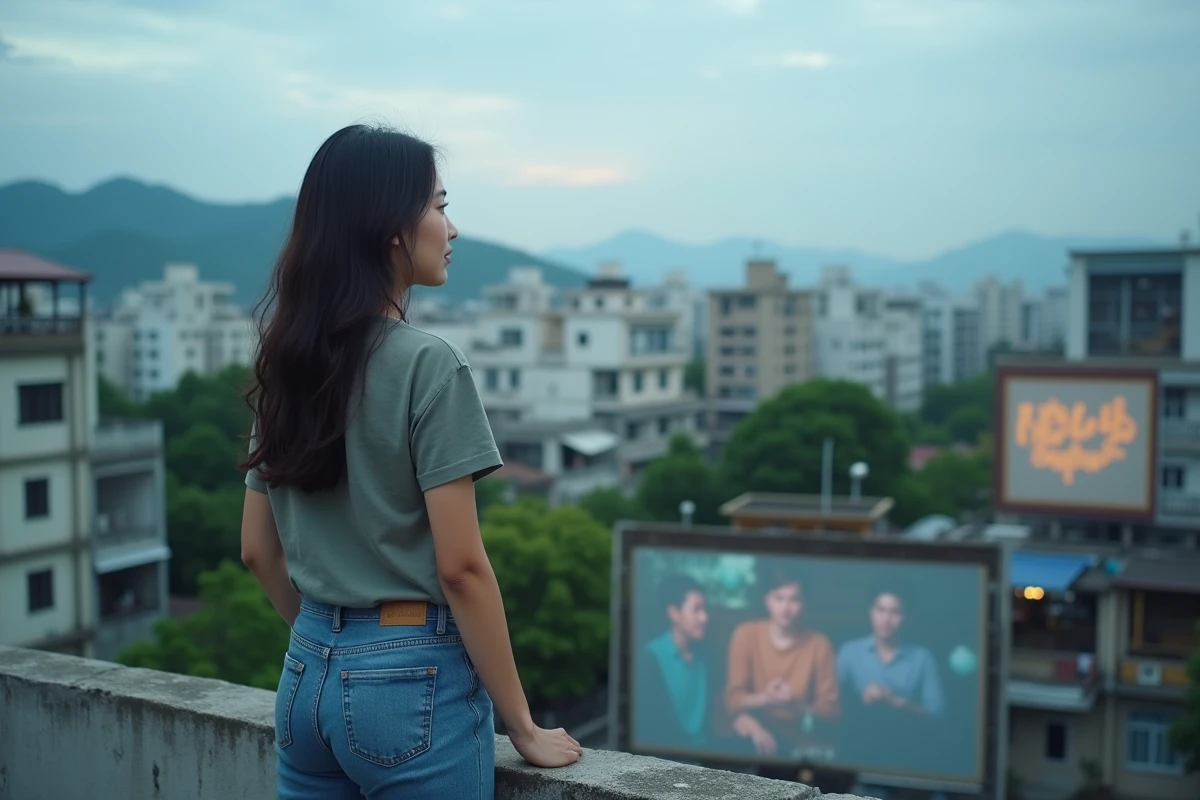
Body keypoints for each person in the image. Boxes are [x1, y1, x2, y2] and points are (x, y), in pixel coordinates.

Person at [238, 124, 582, 800]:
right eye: (440, 206)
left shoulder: (284, 365)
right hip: (408, 685)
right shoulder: (429, 364)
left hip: (305, 674)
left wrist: (333, 647)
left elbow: (256, 550)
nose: (451, 228)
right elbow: (461, 567)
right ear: (394, 227)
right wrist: (523, 726)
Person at [724, 565, 839, 759]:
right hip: (756, 738)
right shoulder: (745, 634)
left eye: (794, 599)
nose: (785, 608)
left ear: (804, 603)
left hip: (804, 744)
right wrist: (766, 698)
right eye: (778, 598)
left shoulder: (819, 644)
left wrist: (796, 705)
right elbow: (732, 700)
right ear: (766, 599)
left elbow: (831, 712)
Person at [836, 585, 944, 718]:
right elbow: (832, 703)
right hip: (859, 730)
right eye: (880, 610)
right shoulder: (850, 651)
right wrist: (860, 699)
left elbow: (937, 713)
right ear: (871, 612)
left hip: (908, 733)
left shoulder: (922, 658)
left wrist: (897, 702)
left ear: (907, 617)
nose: (886, 619)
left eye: (895, 612)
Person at [635, 574, 710, 750]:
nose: (704, 617)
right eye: (696, 610)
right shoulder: (650, 658)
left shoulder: (706, 658)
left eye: (705, 609)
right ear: (674, 612)